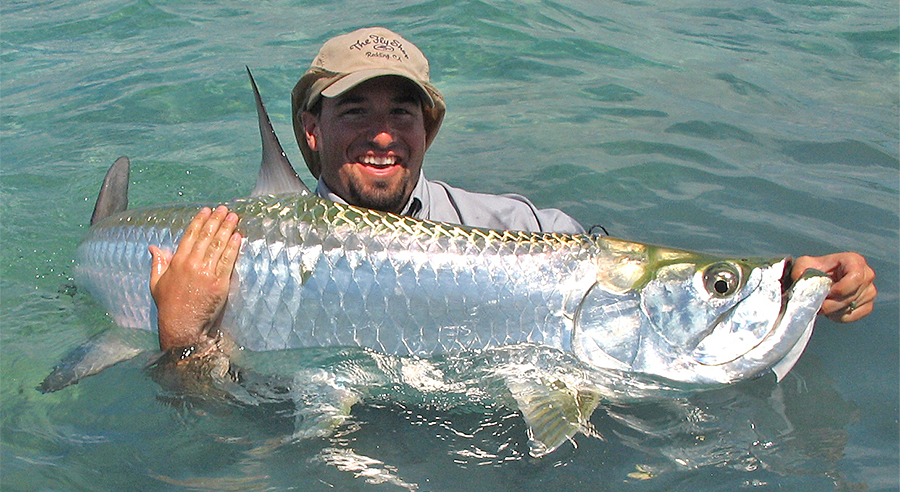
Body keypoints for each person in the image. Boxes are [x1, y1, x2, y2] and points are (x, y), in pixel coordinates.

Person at [148, 27, 877, 353]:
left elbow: (629, 282)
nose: (381, 133)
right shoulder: (217, 246)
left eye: (401, 111)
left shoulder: (526, 231)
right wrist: (182, 339)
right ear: (311, 130)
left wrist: (794, 285)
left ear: (427, 129)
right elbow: (214, 428)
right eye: (354, 111)